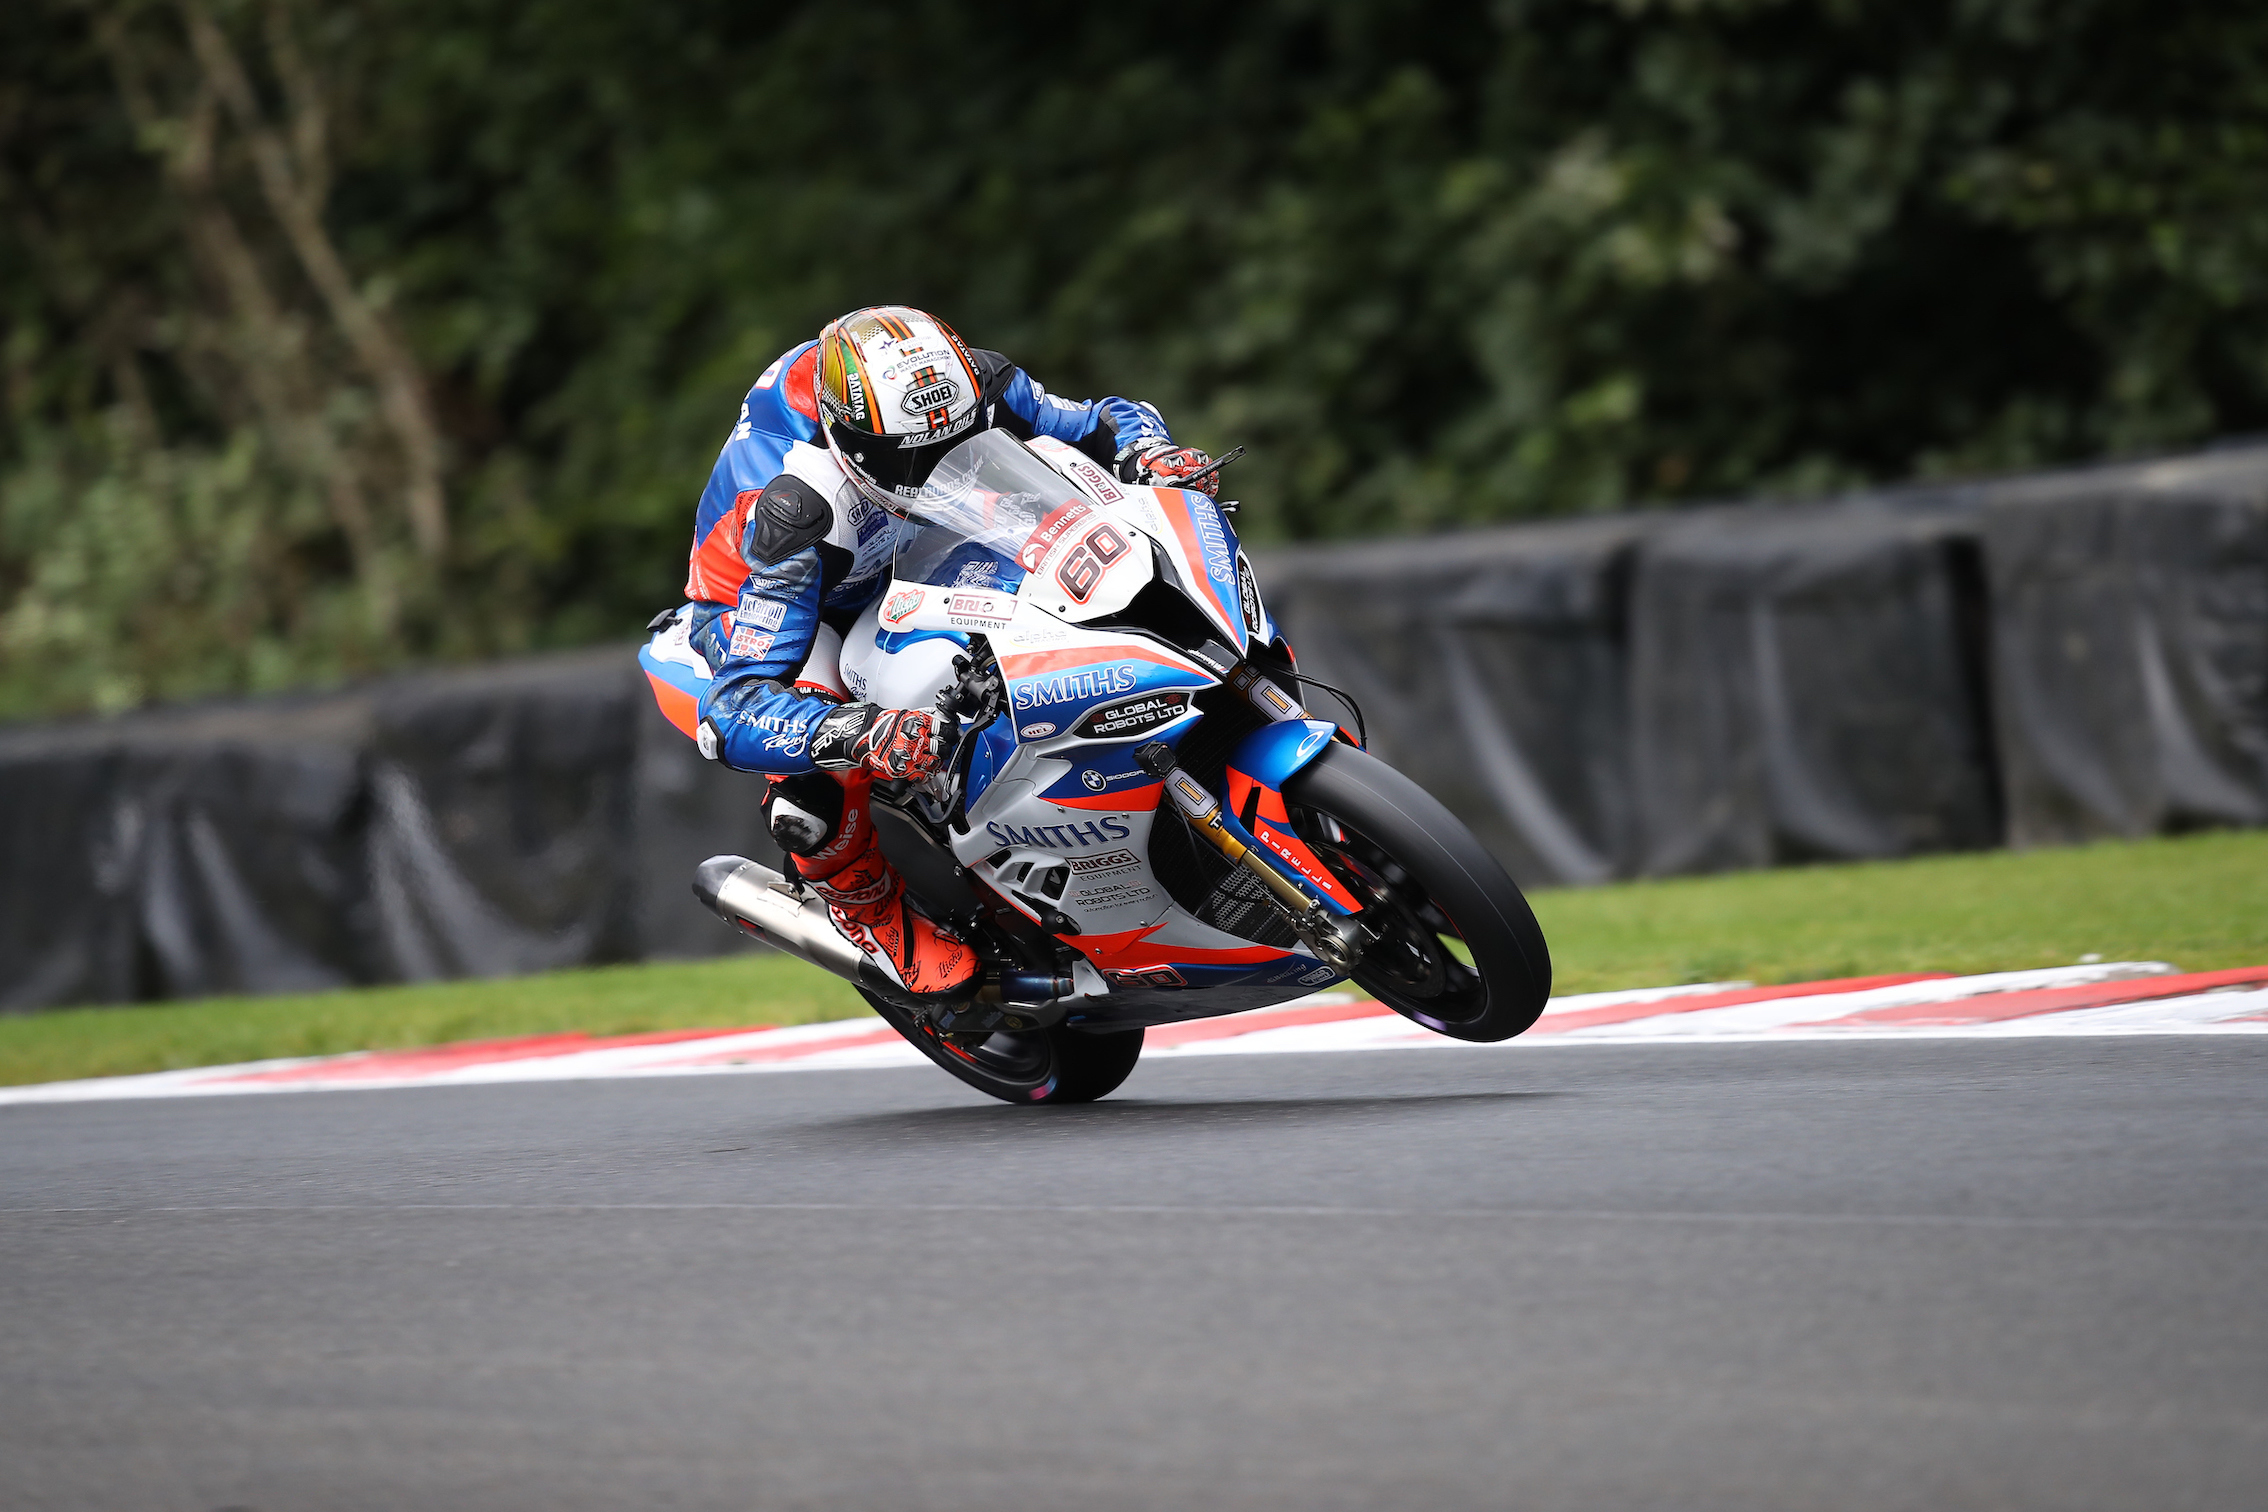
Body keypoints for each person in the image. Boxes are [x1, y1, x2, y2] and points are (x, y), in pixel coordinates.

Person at [640, 305, 1215, 1003]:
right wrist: (854, 730)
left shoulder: (964, 386)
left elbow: (1110, 419)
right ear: (848, 440)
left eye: (955, 442)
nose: (934, 466)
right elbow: (734, 709)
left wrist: (1151, 456)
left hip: (910, 548)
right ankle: (868, 909)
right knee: (819, 774)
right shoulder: (794, 510)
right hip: (790, 607)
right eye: (909, 457)